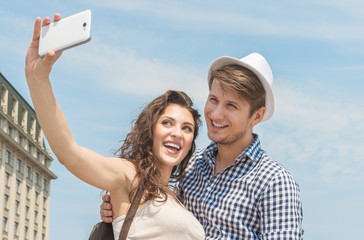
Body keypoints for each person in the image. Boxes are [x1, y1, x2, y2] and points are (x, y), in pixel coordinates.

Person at [25, 14, 205, 239]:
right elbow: (70, 154)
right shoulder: (129, 175)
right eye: (167, 123)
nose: (177, 133)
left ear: (191, 143)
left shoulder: (178, 198)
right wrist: (38, 79)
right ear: (151, 130)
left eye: (187, 128)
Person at [101, 52, 304, 239]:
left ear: (257, 116)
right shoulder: (192, 165)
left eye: (231, 106)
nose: (215, 114)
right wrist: (121, 204)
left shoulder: (274, 182)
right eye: (213, 100)